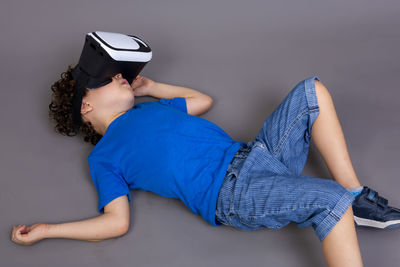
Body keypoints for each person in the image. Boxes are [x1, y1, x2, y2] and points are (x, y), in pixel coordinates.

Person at [11, 65, 400, 267]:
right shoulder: (104, 157)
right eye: (106, 80)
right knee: (329, 203)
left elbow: (201, 100)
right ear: (86, 105)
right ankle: (343, 202)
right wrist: (48, 230)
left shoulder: (154, 108)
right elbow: (116, 221)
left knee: (310, 91)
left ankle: (355, 195)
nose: (119, 76)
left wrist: (151, 87)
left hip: (257, 154)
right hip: (231, 193)